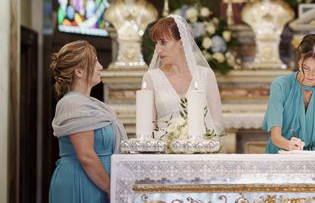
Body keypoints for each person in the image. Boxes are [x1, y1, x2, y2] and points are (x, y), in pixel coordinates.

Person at [49, 41, 127, 203]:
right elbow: (86, 156)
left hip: (98, 182)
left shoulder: (92, 103)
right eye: (95, 62)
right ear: (79, 71)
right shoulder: (72, 103)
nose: (100, 67)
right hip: (81, 181)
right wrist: (110, 188)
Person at [143, 15, 224, 138]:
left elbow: (217, 123)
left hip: (199, 150)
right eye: (156, 43)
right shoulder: (151, 78)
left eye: (163, 42)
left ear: (181, 43)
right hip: (163, 153)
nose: (158, 49)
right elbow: (147, 128)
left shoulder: (206, 75)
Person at [262, 34, 315, 153]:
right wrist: (291, 147)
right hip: (278, 156)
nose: (311, 75)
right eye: (306, 67)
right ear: (298, 62)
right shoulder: (280, 86)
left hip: (312, 159)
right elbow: (275, 137)